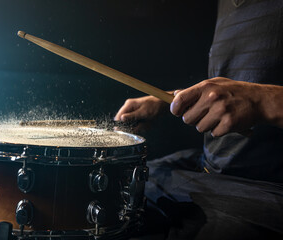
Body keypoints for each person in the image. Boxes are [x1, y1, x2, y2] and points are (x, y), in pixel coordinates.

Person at [117, 1, 283, 239]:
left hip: (266, 186)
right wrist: (169, 101)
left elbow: (253, 91)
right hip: (208, 168)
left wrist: (262, 101)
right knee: (118, 189)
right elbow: (242, 82)